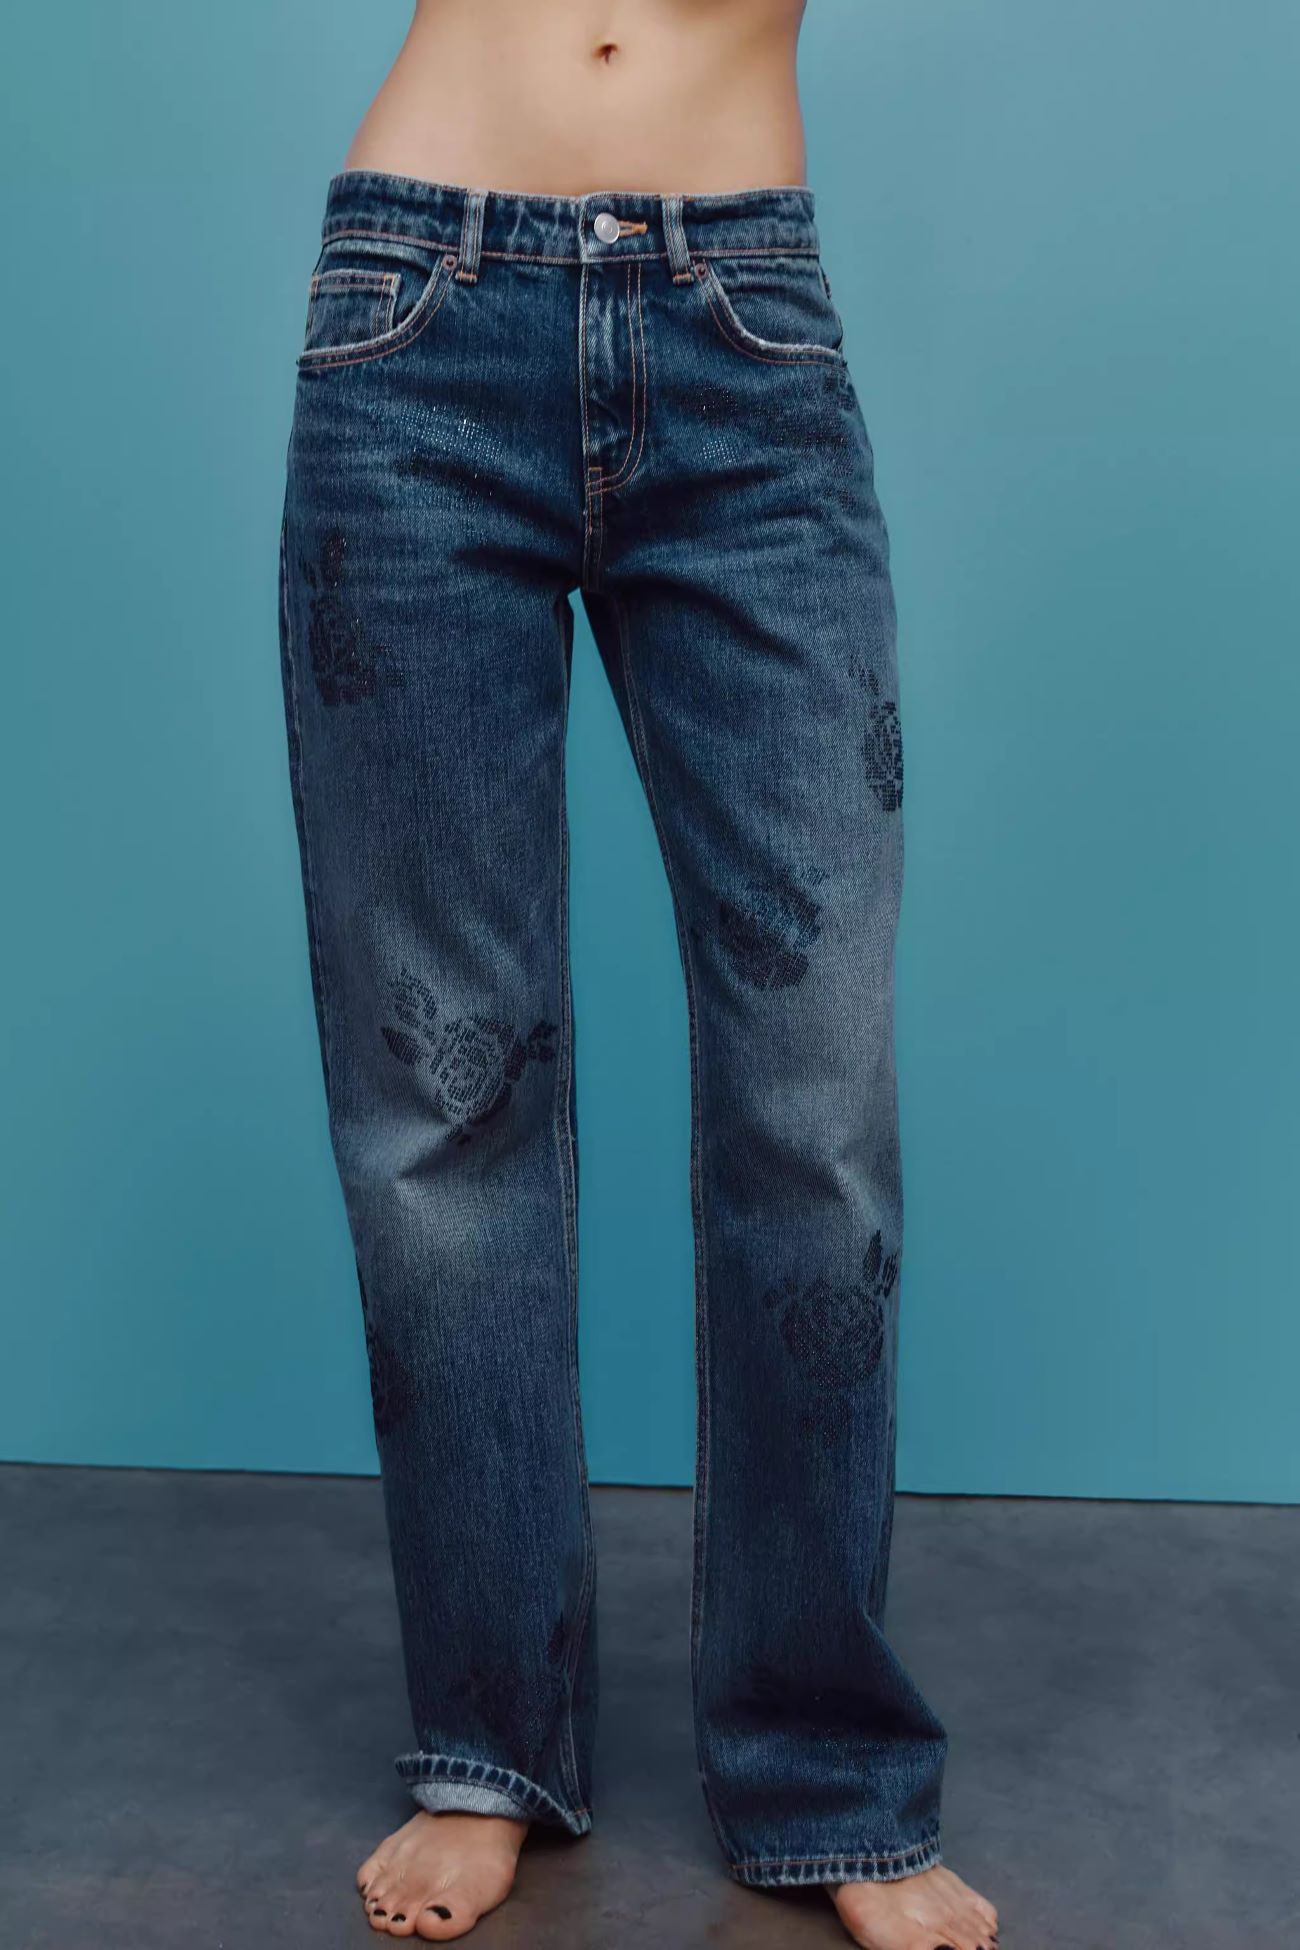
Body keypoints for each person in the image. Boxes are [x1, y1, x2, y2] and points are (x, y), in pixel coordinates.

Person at [276, 3, 999, 1946]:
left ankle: (828, 1773)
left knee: (814, 1111)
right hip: (415, 320)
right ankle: (487, 1745)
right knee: (442, 1107)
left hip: (741, 328)